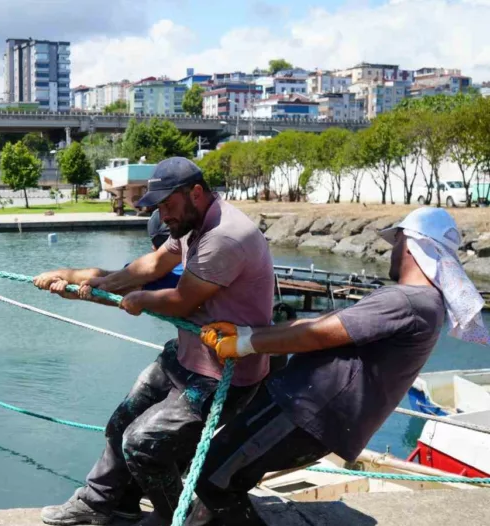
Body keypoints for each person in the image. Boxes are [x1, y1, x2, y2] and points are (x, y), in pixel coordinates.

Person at [193, 207, 490, 526]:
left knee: (211, 476)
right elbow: (322, 321)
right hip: (308, 414)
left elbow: (319, 335)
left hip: (303, 412)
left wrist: (245, 344)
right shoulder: (419, 303)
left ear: (408, 242)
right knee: (228, 476)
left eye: (396, 241)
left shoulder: (409, 301)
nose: (392, 251)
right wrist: (249, 333)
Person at [39, 157, 275, 526]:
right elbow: (151, 267)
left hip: (223, 374)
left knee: (142, 443)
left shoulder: (225, 237)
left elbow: (182, 299)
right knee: (121, 423)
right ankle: (100, 503)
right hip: (186, 357)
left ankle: (182, 519)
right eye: (159, 206)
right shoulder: (191, 224)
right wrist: (89, 286)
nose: (163, 216)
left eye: (168, 205)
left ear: (196, 193)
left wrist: (141, 299)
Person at [33, 209, 183, 297]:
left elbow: (109, 281)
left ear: (154, 249)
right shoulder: (197, 261)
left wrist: (60, 277)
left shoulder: (165, 277)